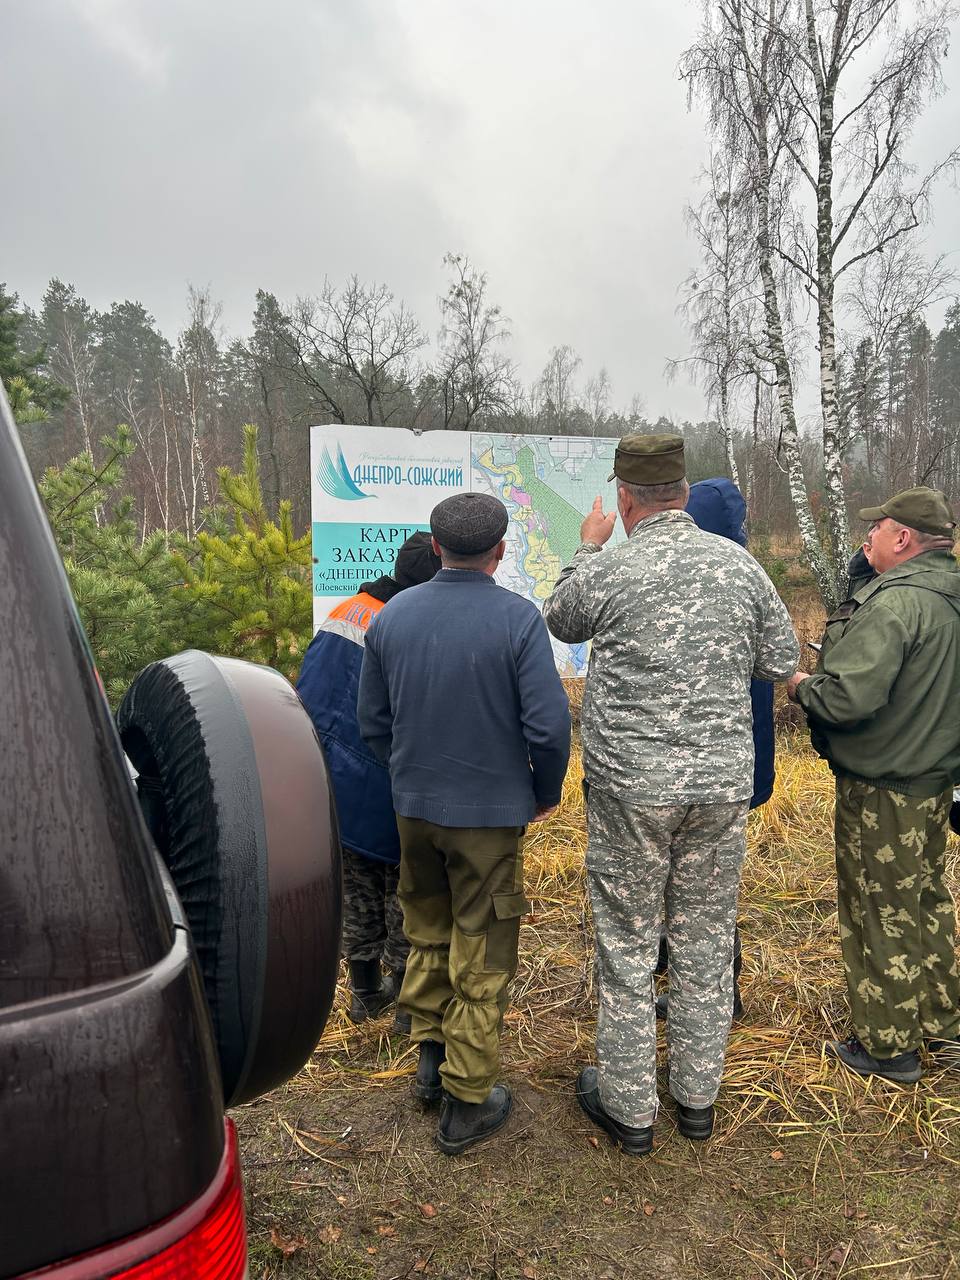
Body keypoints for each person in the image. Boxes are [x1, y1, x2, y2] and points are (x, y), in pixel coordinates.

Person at [543, 434, 799, 1155]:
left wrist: (587, 546)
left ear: (625, 499)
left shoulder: (611, 566)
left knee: (627, 944)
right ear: (682, 492)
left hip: (631, 791)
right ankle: (696, 1101)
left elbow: (560, 617)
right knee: (706, 941)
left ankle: (630, 1112)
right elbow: (781, 659)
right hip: (719, 789)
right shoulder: (739, 566)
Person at [358, 493, 571, 1155]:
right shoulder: (518, 619)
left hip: (414, 810)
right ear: (500, 551)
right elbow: (549, 727)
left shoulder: (392, 616)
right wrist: (543, 792)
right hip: (489, 818)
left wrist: (410, 776)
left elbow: (373, 724)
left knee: (427, 930)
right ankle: (467, 1101)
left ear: (436, 545)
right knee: (482, 949)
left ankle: (429, 1065)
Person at [787, 486, 960, 1083]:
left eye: (877, 530)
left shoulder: (894, 607)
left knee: (878, 909)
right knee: (926, 899)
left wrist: (801, 685)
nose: (868, 539)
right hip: (935, 781)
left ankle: (889, 1047)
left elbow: (847, 699)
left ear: (903, 538)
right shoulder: (949, 596)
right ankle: (943, 1025)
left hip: (884, 788)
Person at [297, 531, 441, 1032]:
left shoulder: (347, 610)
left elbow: (308, 688)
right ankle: (405, 1000)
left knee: (356, 887)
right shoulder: (412, 626)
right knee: (404, 890)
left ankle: (363, 993)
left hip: (332, 777)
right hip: (385, 781)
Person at [653, 476, 777, 1022]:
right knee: (709, 886)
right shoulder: (749, 580)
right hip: (736, 766)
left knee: (689, 887)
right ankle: (709, 983)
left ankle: (713, 989)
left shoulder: (693, 585)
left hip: (687, 770)